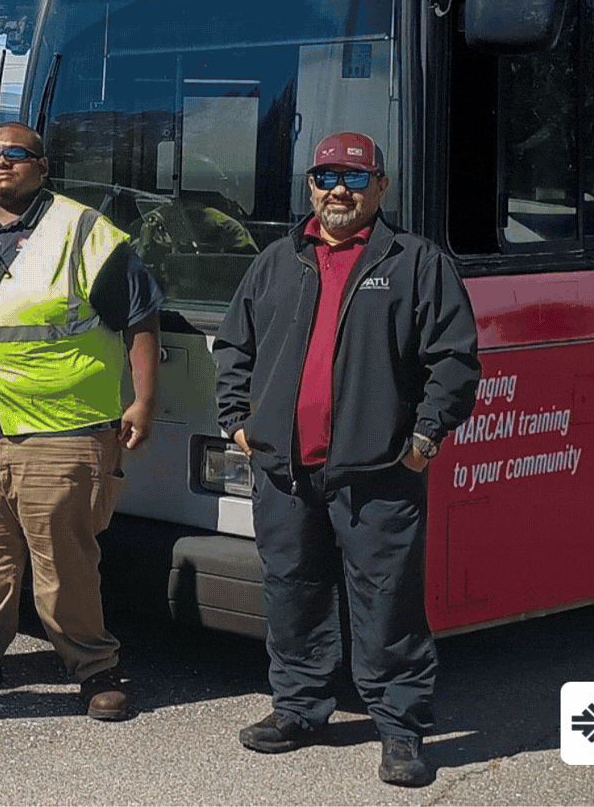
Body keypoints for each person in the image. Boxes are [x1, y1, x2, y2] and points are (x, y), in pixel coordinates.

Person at [213, 131, 479, 786]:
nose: (338, 189)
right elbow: (233, 346)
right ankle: (300, 708)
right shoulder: (278, 260)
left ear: (380, 187)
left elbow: (455, 360)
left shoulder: (415, 261)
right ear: (310, 187)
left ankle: (401, 728)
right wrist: (238, 423)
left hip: (380, 474)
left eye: (355, 178)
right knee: (293, 591)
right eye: (326, 176)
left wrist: (422, 440)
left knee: (387, 600)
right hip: (286, 472)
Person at [0, 121, 161, 720]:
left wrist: (144, 401)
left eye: (17, 155)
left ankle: (93, 667)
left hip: (60, 425)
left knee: (64, 557)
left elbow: (140, 318)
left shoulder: (85, 232)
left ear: (42, 167)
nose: (2, 163)